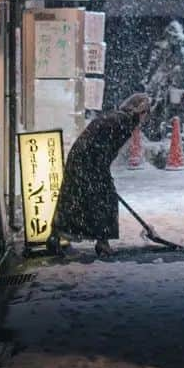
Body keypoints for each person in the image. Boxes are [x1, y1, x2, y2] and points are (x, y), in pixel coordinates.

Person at [49, 93, 151, 258]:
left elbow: (103, 145)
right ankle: (102, 243)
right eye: (146, 114)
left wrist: (101, 166)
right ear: (140, 112)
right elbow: (104, 147)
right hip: (88, 160)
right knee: (106, 199)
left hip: (82, 158)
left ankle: (55, 237)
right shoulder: (123, 122)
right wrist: (101, 169)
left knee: (75, 198)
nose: (145, 119)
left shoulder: (118, 118)